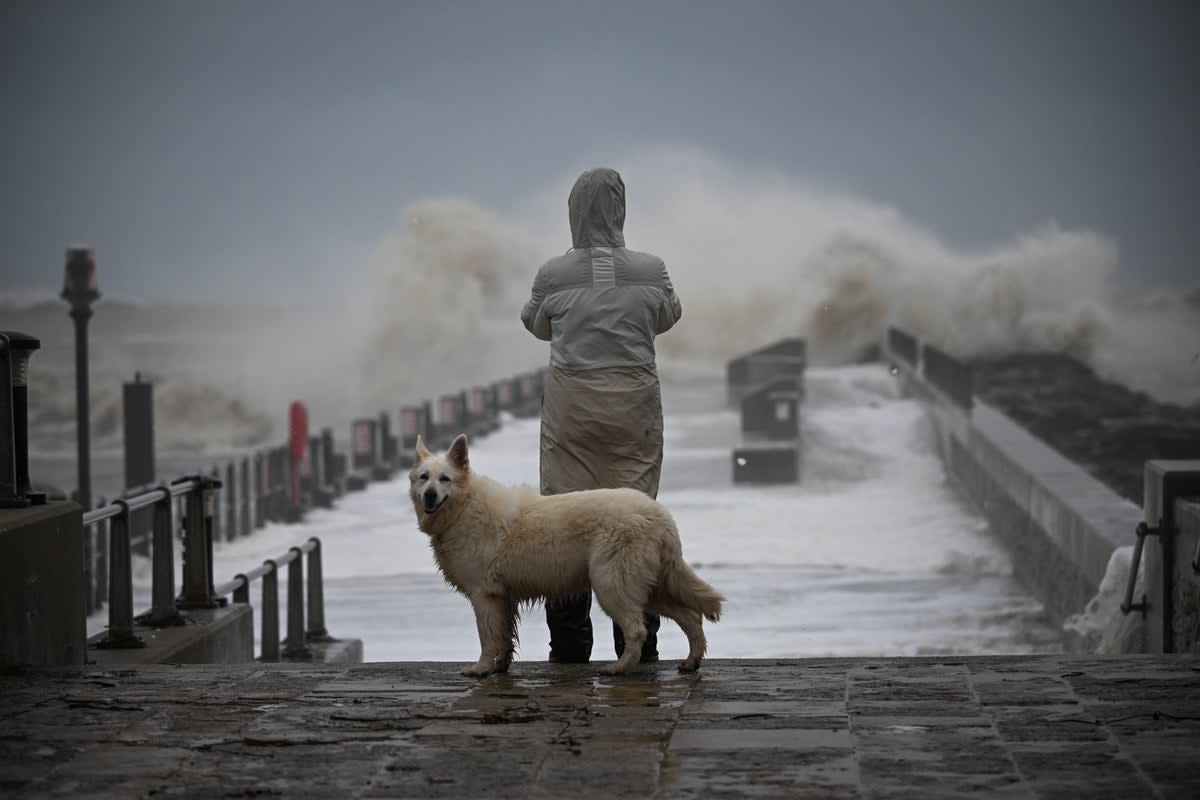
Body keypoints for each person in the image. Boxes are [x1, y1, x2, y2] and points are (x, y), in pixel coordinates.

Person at [520, 167, 682, 663]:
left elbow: (535, 324)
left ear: (574, 213)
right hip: (633, 410)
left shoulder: (553, 273)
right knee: (632, 523)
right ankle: (637, 647)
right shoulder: (651, 269)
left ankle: (569, 647)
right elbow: (669, 315)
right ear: (620, 211)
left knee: (564, 522)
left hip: (573, 413)